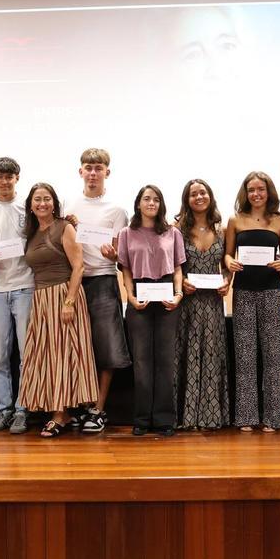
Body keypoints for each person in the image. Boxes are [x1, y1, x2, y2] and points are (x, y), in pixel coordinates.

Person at [17, 183, 99, 437]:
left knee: (63, 356)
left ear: (54, 203)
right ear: (30, 205)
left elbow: (79, 266)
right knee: (46, 357)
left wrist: (69, 301)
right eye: (37, 199)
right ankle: (60, 411)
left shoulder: (64, 227)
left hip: (63, 295)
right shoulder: (31, 233)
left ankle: (59, 415)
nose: (42, 203)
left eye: (47, 199)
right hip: (41, 299)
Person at [63, 148, 130, 433]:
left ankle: (98, 409)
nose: (93, 173)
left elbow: (121, 253)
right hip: (73, 282)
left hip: (103, 279)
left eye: (98, 168)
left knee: (107, 347)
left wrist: (114, 255)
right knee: (77, 348)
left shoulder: (117, 210)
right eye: (88, 168)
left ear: (107, 172)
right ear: (80, 171)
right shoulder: (67, 204)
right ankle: (80, 406)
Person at [224, 171, 280, 432]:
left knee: (273, 355)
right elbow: (228, 255)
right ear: (245, 193)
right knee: (245, 355)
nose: (256, 194)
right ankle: (246, 416)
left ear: (268, 191)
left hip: (272, 292)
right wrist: (230, 262)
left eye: (261, 189)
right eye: (251, 190)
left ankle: (272, 417)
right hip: (243, 292)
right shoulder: (235, 220)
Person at [118, 185, 185, 436]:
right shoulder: (126, 233)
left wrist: (178, 295)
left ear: (161, 204)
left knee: (165, 360)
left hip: (167, 296)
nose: (151, 203)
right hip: (140, 296)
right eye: (146, 199)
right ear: (138, 203)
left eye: (156, 199)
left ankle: (165, 419)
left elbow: (177, 268)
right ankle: (142, 419)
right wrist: (130, 297)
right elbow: (125, 269)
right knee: (142, 361)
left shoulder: (172, 232)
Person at [0, 157, 33, 434]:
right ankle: (4, 409)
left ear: (17, 178)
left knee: (26, 353)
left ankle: (23, 410)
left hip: (26, 286)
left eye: (9, 176)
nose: (4, 181)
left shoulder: (28, 208)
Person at [174, 179, 231, 430]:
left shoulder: (222, 229)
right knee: (187, 353)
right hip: (188, 302)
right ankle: (185, 417)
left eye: (203, 192)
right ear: (186, 200)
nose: (199, 197)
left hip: (213, 303)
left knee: (211, 355)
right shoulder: (177, 230)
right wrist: (181, 282)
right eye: (193, 194)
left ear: (210, 196)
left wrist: (228, 282)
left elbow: (227, 265)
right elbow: (172, 265)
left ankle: (211, 417)